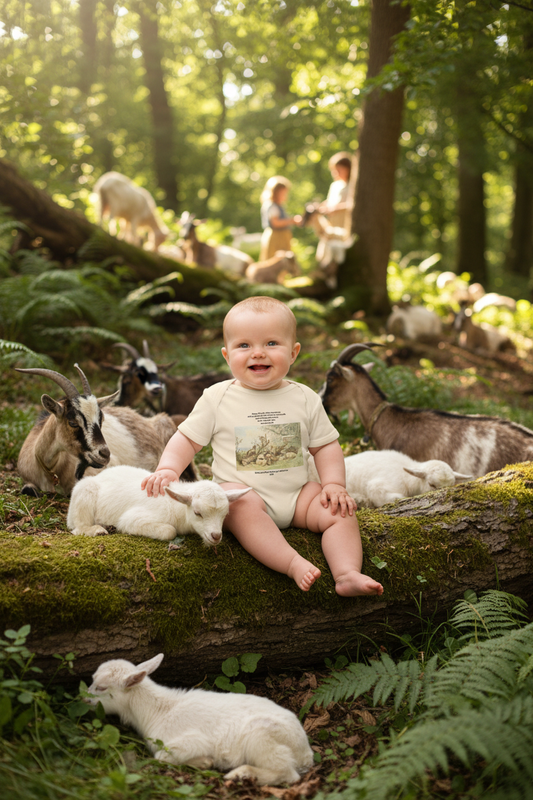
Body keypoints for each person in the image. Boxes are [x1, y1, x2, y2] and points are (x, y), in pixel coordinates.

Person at [142, 296, 383, 599]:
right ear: (227, 355)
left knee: (340, 511)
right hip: (242, 495)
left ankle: (347, 573)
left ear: (293, 352)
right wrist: (167, 469)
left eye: (271, 343)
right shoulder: (217, 397)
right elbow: (186, 439)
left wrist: (333, 484)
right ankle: (292, 562)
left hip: (297, 497)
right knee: (240, 506)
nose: (258, 353)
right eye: (244, 346)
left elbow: (326, 447)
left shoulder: (305, 398)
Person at [259, 176, 302, 261]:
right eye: (282, 193)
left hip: (282, 235)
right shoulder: (272, 206)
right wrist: (291, 221)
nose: (284, 195)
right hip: (276, 236)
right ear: (275, 192)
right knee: (273, 260)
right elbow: (275, 222)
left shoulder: (279, 206)